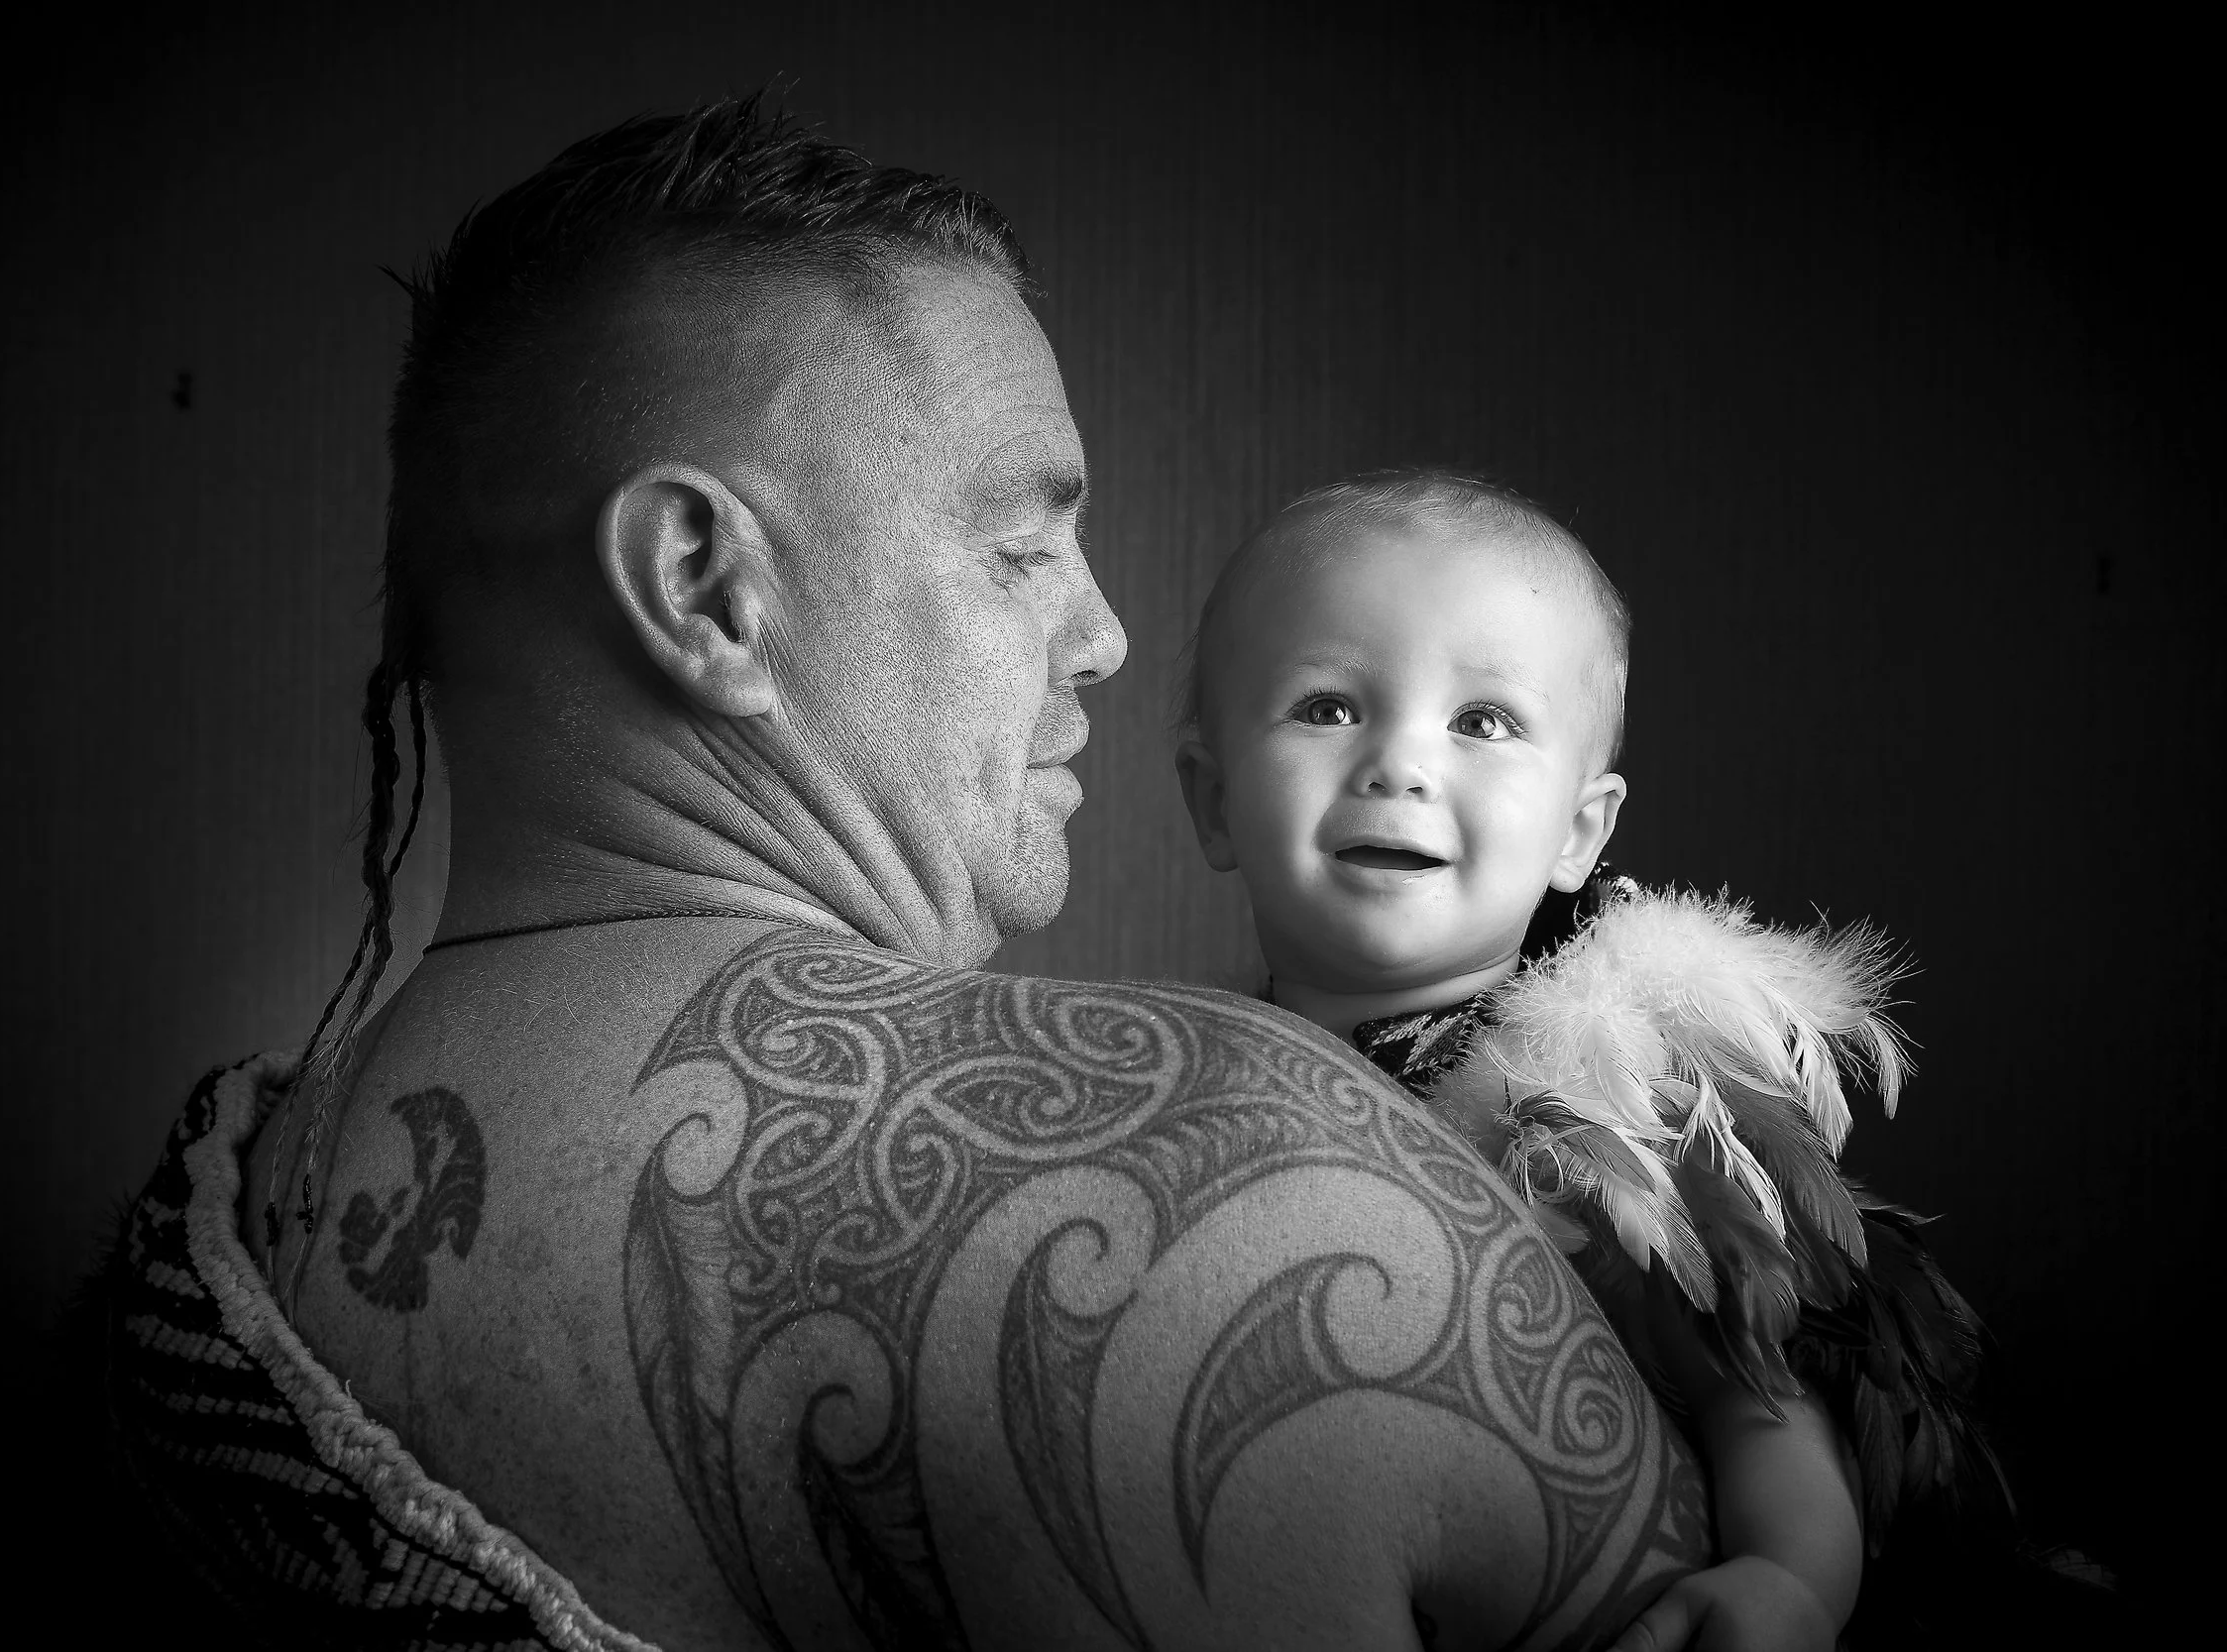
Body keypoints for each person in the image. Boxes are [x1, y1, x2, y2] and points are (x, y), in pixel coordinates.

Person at [95, 102, 1711, 1650]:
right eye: (1023, 546)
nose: (1104, 634)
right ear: (700, 584)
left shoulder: (219, 1232)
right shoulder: (1227, 1177)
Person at [1171, 471, 2007, 1651]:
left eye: (1482, 721)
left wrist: (1789, 1580)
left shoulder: (1587, 1105)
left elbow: (1761, 1396)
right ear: (1211, 800)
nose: (1398, 763)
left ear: (1579, 827)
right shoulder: (1178, 1072)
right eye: (1325, 706)